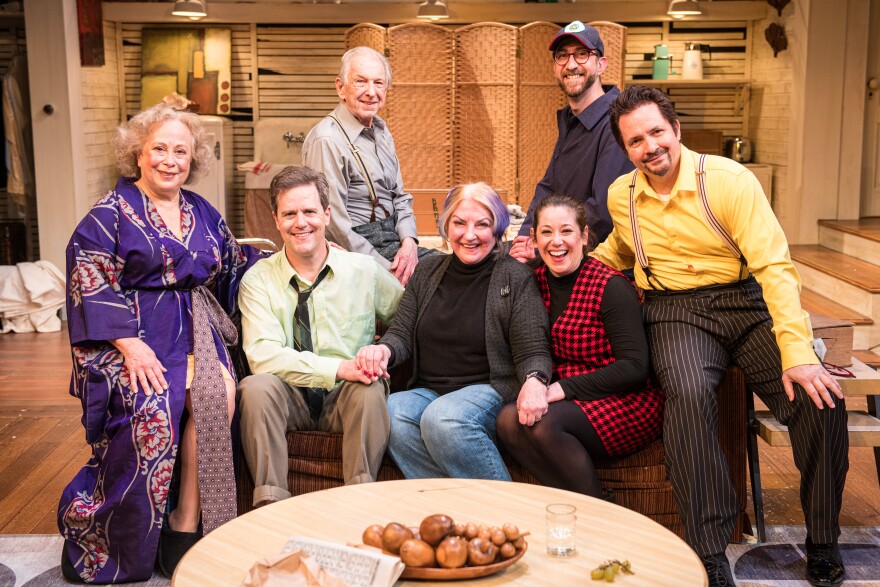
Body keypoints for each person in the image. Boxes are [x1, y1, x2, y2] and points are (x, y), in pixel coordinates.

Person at [592, 85, 849, 587]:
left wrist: (798, 354)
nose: (650, 147)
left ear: (676, 129)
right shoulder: (622, 195)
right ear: (625, 149)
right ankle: (708, 551)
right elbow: (619, 249)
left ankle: (823, 538)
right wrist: (560, 262)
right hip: (674, 310)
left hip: (744, 302)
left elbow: (774, 267)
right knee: (687, 397)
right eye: (636, 141)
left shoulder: (730, 181)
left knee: (821, 401)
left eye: (657, 132)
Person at [59, 104, 262, 583]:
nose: (170, 161)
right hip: (128, 335)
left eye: (181, 151)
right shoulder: (107, 214)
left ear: (193, 159)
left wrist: (293, 256)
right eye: (159, 149)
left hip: (195, 329)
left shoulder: (202, 210)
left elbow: (236, 263)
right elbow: (88, 279)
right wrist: (129, 344)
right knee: (153, 407)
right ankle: (120, 540)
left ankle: (185, 524)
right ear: (138, 154)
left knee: (216, 394)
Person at [355, 182, 552, 480]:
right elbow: (401, 333)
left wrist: (536, 379)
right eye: (459, 223)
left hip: (490, 390)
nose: (469, 235)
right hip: (430, 390)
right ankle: (444, 503)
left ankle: (503, 505)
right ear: (446, 227)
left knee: (443, 417)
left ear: (498, 230)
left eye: (482, 225)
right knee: (392, 410)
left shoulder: (515, 276)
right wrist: (383, 350)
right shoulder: (427, 271)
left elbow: (533, 349)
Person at [237, 166, 404, 508]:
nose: (301, 222)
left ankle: (360, 500)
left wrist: (384, 350)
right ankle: (270, 504)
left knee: (369, 386)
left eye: (310, 211)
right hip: (289, 397)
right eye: (289, 214)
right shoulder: (258, 280)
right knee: (255, 387)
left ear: (327, 214)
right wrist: (340, 368)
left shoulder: (364, 271)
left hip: (348, 396)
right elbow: (263, 355)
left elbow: (408, 321)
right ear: (276, 219)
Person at [496, 194, 664, 498]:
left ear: (584, 236)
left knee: (544, 424)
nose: (556, 241)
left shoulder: (610, 286)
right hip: (561, 398)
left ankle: (597, 511)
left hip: (622, 397)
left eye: (566, 231)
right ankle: (574, 503)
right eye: (546, 232)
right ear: (533, 238)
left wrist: (560, 389)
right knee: (508, 420)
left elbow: (635, 368)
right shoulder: (532, 282)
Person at [302, 46, 432, 286]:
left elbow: (400, 197)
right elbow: (334, 226)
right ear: (341, 88)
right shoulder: (327, 140)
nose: (371, 92)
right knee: (445, 280)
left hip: (394, 239)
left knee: (465, 270)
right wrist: (385, 270)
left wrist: (409, 243)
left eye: (378, 83)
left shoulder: (381, 130)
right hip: (360, 247)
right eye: (360, 81)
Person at [510, 20, 633, 263]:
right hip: (561, 251)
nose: (571, 64)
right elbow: (548, 188)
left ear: (601, 64)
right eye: (562, 56)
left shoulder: (618, 120)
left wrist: (542, 246)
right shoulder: (571, 119)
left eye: (582, 54)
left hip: (597, 261)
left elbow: (603, 210)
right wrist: (526, 237)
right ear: (555, 67)